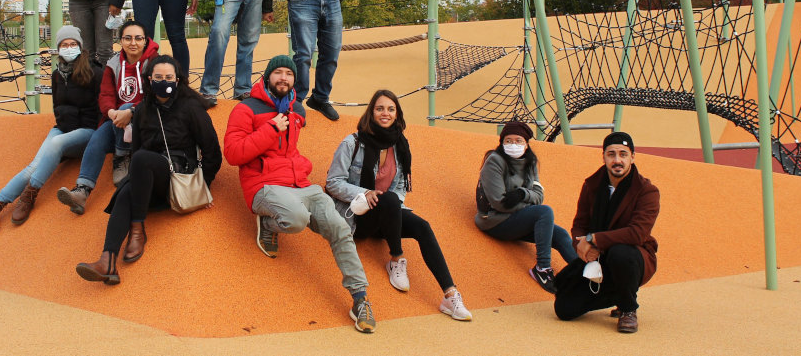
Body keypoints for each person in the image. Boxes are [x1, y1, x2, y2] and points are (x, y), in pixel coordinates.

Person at [223, 55, 377, 333]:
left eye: (289, 74)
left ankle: (360, 299)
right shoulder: (246, 109)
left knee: (340, 228)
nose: (284, 78)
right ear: (267, 76)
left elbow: (288, 149)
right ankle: (268, 223)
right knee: (296, 218)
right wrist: (270, 129)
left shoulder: (297, 110)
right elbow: (233, 154)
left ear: (294, 80)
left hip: (300, 184)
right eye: (278, 73)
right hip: (263, 185)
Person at [75, 54, 222, 284]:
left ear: (178, 79)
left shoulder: (191, 107)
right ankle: (108, 261)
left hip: (178, 176)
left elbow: (213, 152)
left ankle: (137, 230)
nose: (164, 81)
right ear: (149, 80)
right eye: (158, 77)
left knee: (140, 162)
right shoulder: (143, 109)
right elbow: (136, 149)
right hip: (148, 181)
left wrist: (204, 186)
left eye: (169, 77)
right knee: (127, 188)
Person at [326, 90, 472, 321]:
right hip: (358, 216)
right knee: (390, 200)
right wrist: (365, 193)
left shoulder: (400, 146)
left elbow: (400, 187)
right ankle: (396, 259)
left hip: (387, 215)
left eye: (390, 109)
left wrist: (393, 209)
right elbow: (332, 182)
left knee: (422, 226)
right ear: (371, 112)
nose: (385, 113)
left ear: (397, 114)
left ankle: (450, 294)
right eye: (380, 108)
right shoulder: (352, 143)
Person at [0, 26, 101, 236]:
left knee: (55, 144)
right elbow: (57, 107)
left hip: (87, 131)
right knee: (33, 165)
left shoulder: (94, 71)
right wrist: (62, 128)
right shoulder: (57, 75)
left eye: (73, 44)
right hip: (62, 130)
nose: (69, 48)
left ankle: (30, 194)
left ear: (81, 47)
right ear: (58, 48)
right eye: (64, 45)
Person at [554, 132, 660, 334]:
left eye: (623, 154)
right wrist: (582, 246)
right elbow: (579, 224)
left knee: (621, 253)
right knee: (564, 309)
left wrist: (594, 240)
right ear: (603, 157)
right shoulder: (592, 185)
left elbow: (637, 233)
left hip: (633, 257)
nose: (617, 160)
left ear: (633, 157)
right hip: (598, 260)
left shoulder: (647, 191)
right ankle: (620, 293)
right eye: (611, 154)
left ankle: (628, 309)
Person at [57, 20, 159, 214]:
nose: (133, 43)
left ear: (146, 41)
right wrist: (111, 112)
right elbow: (105, 95)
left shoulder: (155, 63)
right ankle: (81, 191)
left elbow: (155, 97)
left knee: (127, 106)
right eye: (127, 38)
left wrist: (130, 111)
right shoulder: (113, 64)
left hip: (146, 117)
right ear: (120, 41)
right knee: (97, 138)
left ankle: (121, 156)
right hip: (117, 121)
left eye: (138, 38)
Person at [474, 120, 578, 293]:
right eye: (508, 141)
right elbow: (499, 203)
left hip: (517, 217)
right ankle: (542, 268)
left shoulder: (530, 162)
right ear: (502, 143)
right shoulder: (494, 162)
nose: (513, 145)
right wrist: (529, 206)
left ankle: (583, 273)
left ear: (527, 144)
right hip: (494, 221)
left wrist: (522, 194)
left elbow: (539, 196)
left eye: (518, 141)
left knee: (559, 234)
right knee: (544, 213)